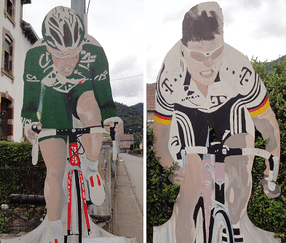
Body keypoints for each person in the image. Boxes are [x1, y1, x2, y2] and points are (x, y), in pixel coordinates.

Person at [153, 2, 280, 242]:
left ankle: (232, 226)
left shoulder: (240, 68)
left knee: (241, 169)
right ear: (183, 51)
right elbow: (159, 138)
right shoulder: (170, 74)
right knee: (190, 188)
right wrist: (172, 166)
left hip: (229, 107)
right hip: (187, 111)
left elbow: (269, 128)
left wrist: (271, 173)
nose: (208, 66)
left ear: (224, 45)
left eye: (216, 54)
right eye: (198, 56)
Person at [22, 6, 123, 243]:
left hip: (82, 89)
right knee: (54, 171)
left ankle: (91, 170)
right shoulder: (34, 56)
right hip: (52, 98)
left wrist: (111, 117)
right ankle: (55, 227)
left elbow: (104, 94)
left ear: (81, 45)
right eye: (59, 56)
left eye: (73, 55)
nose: (67, 64)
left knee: (90, 108)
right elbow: (30, 99)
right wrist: (29, 124)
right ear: (47, 47)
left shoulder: (95, 49)